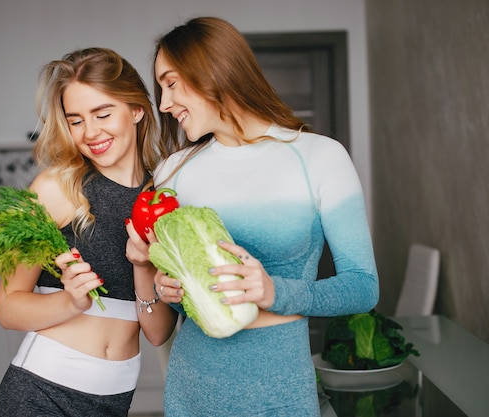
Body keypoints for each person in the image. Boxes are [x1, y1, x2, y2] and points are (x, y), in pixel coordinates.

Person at [148, 17, 380, 416]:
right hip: (192, 388)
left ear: (211, 71)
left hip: (281, 388)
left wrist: (275, 292)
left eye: (170, 84)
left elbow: (363, 287)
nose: (164, 104)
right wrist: (165, 287)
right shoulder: (171, 171)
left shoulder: (320, 156)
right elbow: (170, 301)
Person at [0, 47, 176, 417]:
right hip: (40, 394)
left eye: (103, 113)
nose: (90, 132)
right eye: (75, 120)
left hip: (115, 400)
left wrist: (142, 267)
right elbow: (7, 307)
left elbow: (157, 333)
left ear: (137, 110)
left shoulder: (163, 196)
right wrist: (70, 301)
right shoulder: (53, 188)